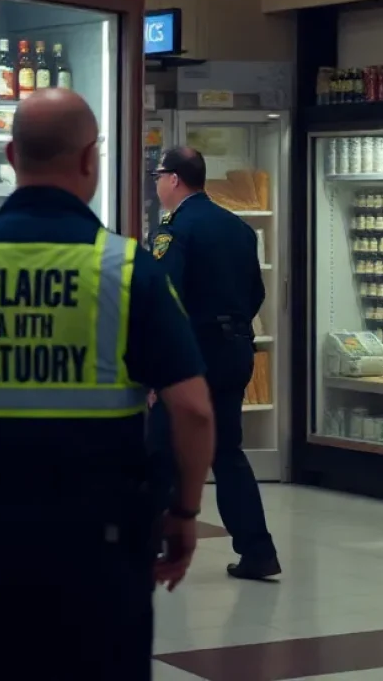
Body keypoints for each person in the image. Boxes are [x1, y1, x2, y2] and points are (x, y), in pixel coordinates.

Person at [0, 90, 215, 681]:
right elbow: (193, 411)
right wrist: (183, 512)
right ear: (90, 160)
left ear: (10, 155)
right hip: (99, 545)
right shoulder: (127, 269)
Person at [151, 145, 280, 580]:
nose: (156, 185)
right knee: (227, 452)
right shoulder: (237, 227)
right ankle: (258, 550)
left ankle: (154, 547)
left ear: (174, 180)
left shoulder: (174, 229)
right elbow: (255, 293)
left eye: (158, 177)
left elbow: (165, 300)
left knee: (160, 448)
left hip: (193, 353)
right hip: (235, 349)